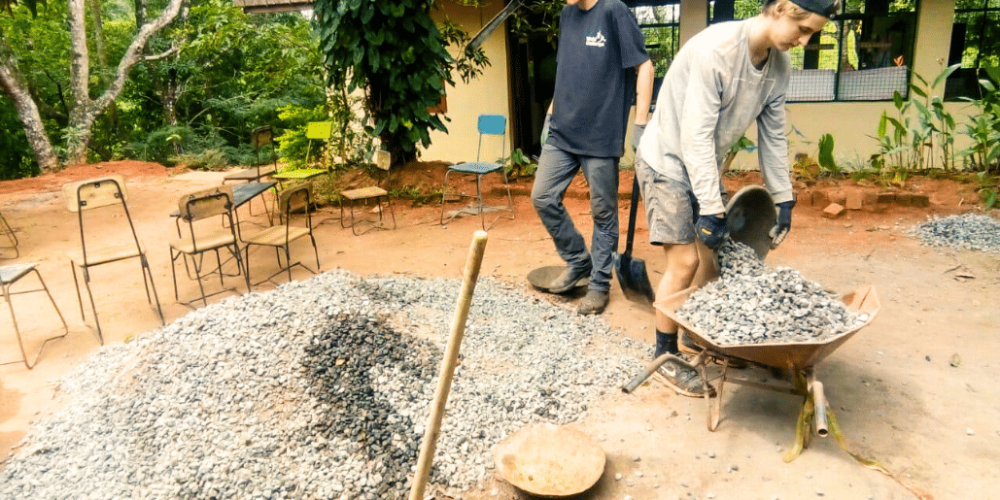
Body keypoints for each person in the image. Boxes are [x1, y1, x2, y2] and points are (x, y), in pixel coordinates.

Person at [634, 0, 838, 395]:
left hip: (703, 162)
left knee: (714, 256)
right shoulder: (717, 50)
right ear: (780, 8)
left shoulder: (779, 65)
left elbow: (774, 136)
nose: (805, 40)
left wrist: (784, 197)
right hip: (668, 161)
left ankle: (698, 333)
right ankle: (664, 355)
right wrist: (712, 209)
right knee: (686, 259)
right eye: (803, 29)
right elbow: (693, 137)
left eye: (812, 33)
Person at [532, 0, 654, 315]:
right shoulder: (567, 14)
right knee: (543, 197)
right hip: (562, 131)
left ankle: (599, 284)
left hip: (601, 135)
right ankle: (579, 261)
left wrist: (641, 123)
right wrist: (550, 115)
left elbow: (644, 66)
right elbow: (566, 70)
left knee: (603, 214)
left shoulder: (614, 11)